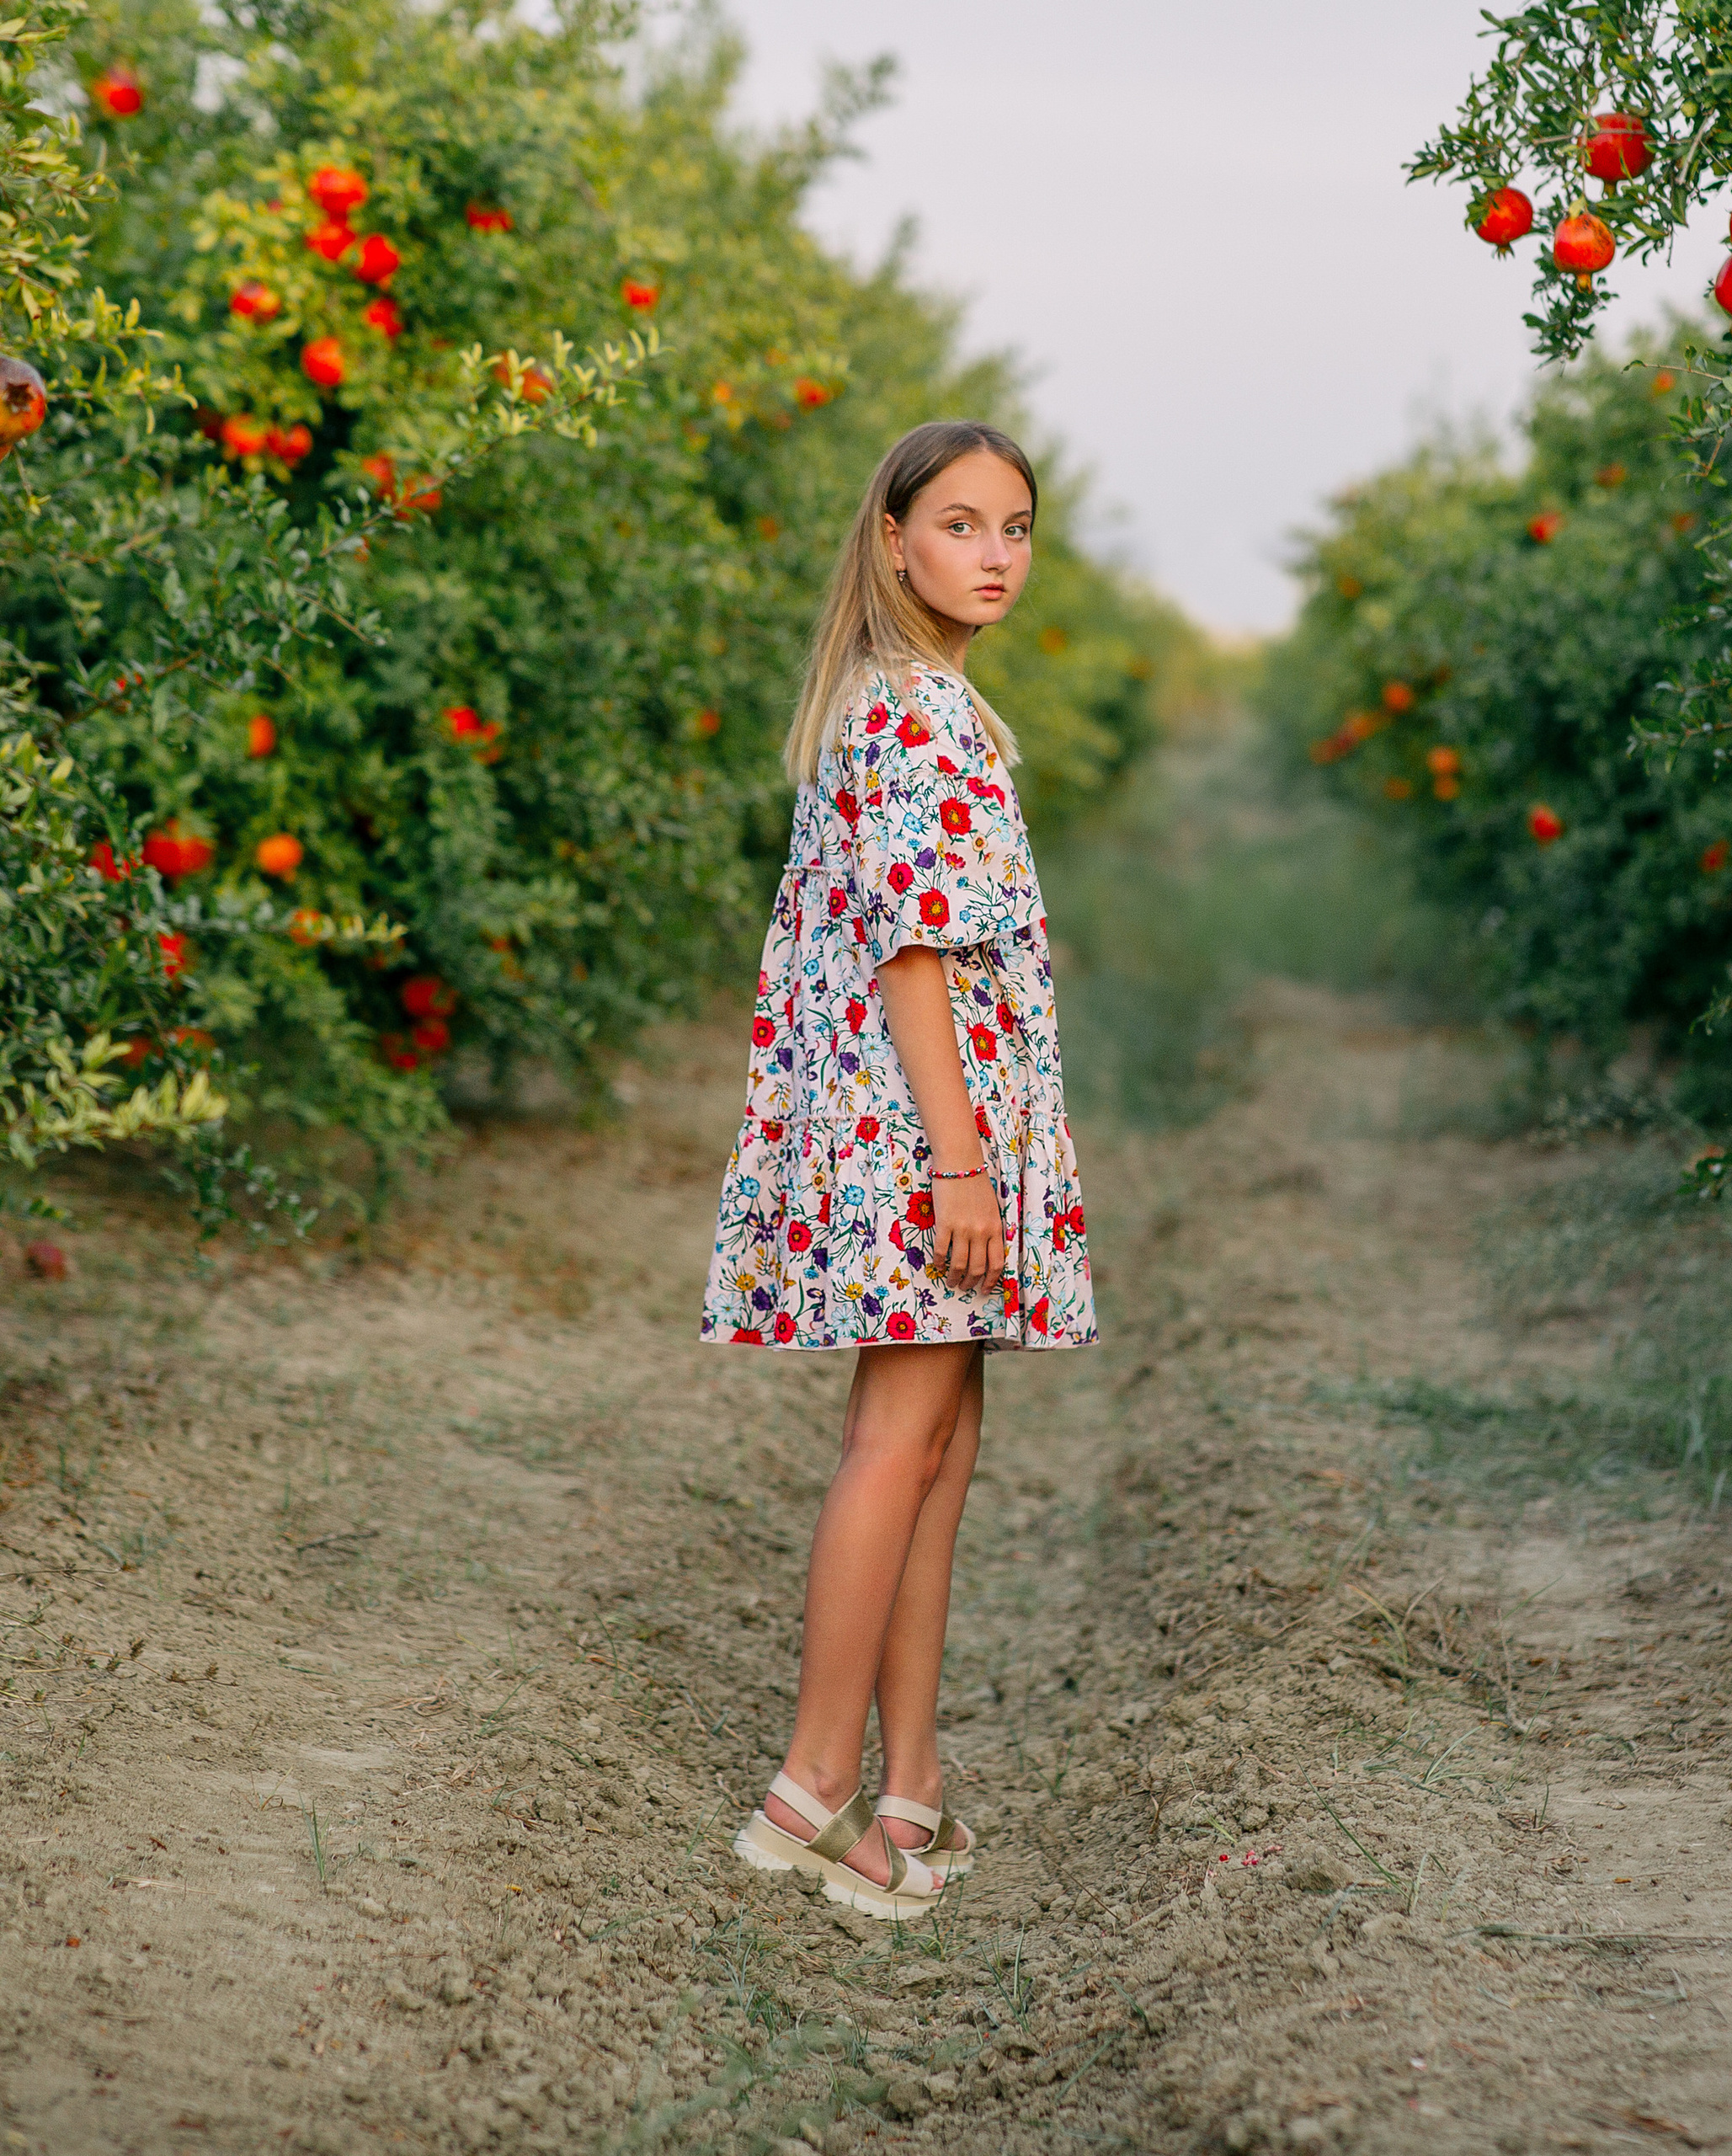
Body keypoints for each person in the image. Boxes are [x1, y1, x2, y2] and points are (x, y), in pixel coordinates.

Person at [704, 420, 1097, 1919]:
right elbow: (917, 951)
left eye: (1015, 527)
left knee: (942, 1447)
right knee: (896, 1441)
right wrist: (960, 1168)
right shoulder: (910, 715)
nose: (993, 554)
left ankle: (908, 1797)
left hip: (938, 1127)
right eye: (960, 525)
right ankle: (809, 1795)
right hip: (919, 1134)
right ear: (892, 540)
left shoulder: (929, 701)